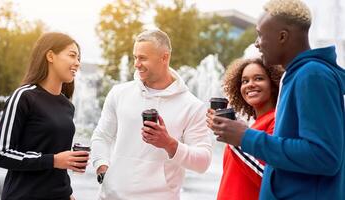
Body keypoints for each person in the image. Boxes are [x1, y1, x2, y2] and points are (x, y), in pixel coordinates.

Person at [207, 0, 345, 199]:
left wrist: (245, 137)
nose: (256, 43)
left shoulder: (312, 75)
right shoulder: (298, 76)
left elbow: (324, 156)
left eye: (260, 34)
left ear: (282, 36)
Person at [90, 29, 212, 200]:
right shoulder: (119, 93)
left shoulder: (192, 106)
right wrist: (101, 165)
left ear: (164, 57)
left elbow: (203, 162)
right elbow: (101, 136)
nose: (136, 64)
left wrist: (170, 144)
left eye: (143, 58)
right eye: (135, 57)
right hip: (110, 196)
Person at [0, 32, 89, 200]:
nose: (77, 63)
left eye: (79, 58)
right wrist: (53, 160)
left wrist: (68, 192)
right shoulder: (24, 96)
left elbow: (58, 158)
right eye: (72, 55)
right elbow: (2, 154)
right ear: (50, 56)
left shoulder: (67, 105)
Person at [210, 58, 283, 200]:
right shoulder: (251, 126)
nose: (250, 85)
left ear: (273, 84)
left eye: (259, 78)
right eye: (245, 81)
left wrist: (234, 140)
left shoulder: (277, 121)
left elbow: (268, 178)